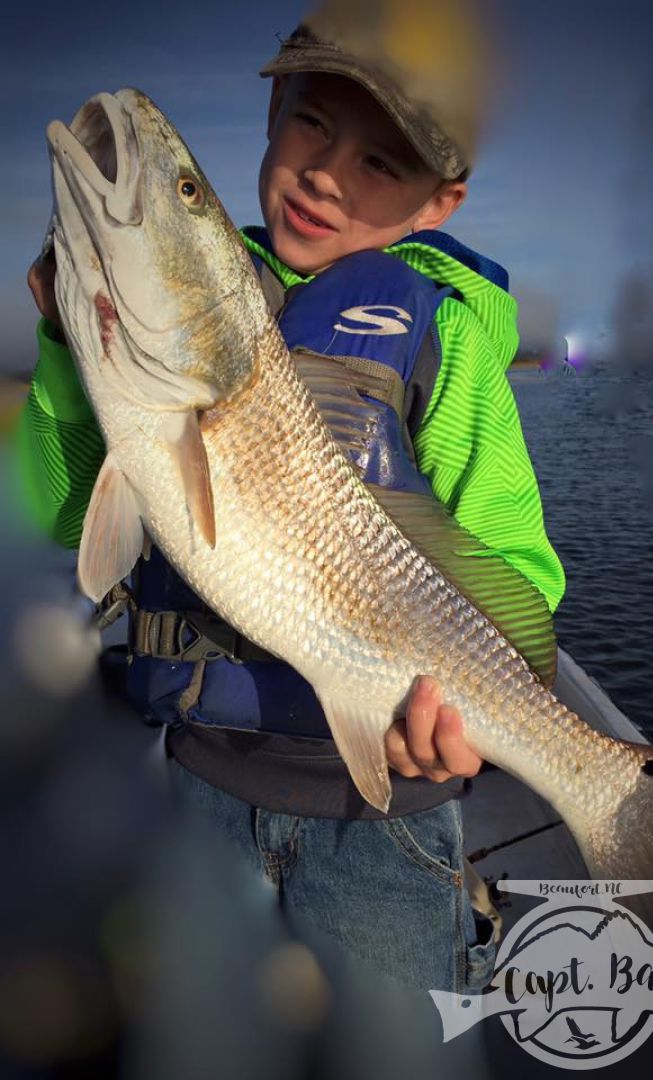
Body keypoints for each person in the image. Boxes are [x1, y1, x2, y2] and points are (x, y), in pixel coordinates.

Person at [20, 0, 564, 993]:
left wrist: (461, 721)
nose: (326, 173)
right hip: (199, 781)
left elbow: (515, 569)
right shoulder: (197, 326)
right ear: (272, 111)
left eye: (382, 162)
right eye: (314, 120)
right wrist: (67, 347)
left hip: (386, 817)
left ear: (439, 203)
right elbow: (70, 519)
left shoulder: (443, 341)